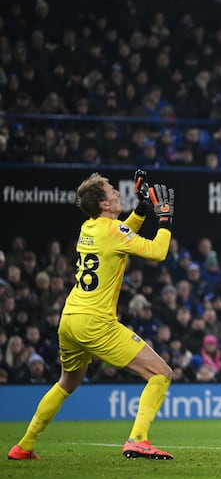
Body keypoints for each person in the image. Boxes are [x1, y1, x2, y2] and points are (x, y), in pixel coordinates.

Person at [8, 170, 177, 460]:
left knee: (66, 383)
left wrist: (140, 209)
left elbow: (122, 233)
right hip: (96, 323)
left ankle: (23, 445)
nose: (116, 192)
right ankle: (138, 439)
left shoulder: (90, 228)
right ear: (104, 205)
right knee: (160, 374)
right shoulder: (113, 232)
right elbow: (157, 251)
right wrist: (164, 218)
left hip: (70, 318)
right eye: (112, 191)